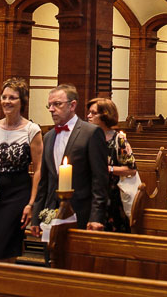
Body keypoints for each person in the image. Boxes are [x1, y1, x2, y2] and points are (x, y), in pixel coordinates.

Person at [0, 78, 43, 261]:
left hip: (17, 193)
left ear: (22, 102)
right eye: (4, 97)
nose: (7, 101)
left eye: (12, 98)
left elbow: (38, 170)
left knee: (6, 244)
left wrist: (31, 204)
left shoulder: (32, 130)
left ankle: (4, 282)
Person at [29, 83, 108, 234]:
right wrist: (36, 216)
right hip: (51, 212)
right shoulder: (49, 136)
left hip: (80, 211)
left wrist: (96, 217)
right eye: (50, 105)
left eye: (57, 104)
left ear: (72, 106)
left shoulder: (91, 133)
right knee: (50, 256)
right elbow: (44, 182)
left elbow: (100, 180)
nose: (51, 109)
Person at [86, 97, 136, 233]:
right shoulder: (87, 136)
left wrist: (109, 169)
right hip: (91, 192)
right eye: (89, 112)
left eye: (93, 113)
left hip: (112, 196)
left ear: (105, 115)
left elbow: (131, 170)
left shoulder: (118, 139)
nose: (88, 116)